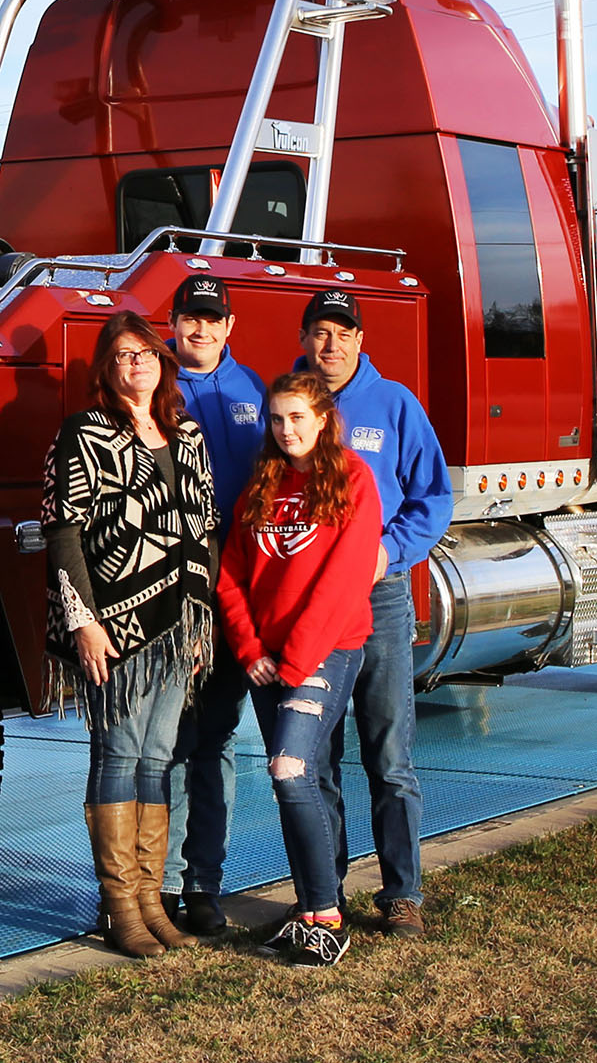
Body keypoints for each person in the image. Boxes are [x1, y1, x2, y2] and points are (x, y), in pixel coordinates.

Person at [41, 310, 217, 958]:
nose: (137, 363)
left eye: (146, 352)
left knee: (155, 757)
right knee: (117, 756)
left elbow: (205, 528)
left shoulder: (187, 433)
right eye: (123, 354)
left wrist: (199, 620)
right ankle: (119, 909)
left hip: (178, 625)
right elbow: (63, 531)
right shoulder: (84, 433)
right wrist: (83, 622)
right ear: (106, 368)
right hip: (113, 626)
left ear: (162, 363)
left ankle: (149, 903)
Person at [296, 287, 454, 939]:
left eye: (343, 332)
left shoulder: (394, 405)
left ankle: (401, 894)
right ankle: (324, 894)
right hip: (313, 605)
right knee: (318, 756)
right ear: (304, 339)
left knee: (389, 753)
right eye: (320, 331)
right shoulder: (292, 408)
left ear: (361, 340)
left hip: (379, 597)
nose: (331, 344)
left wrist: (389, 551)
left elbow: (433, 498)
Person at [215, 369, 384, 970]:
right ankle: (311, 911)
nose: (286, 429)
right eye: (277, 418)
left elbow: (344, 580)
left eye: (297, 417)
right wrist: (250, 651)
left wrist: (294, 659)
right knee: (301, 779)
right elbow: (231, 574)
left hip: (326, 651)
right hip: (267, 661)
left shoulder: (353, 480)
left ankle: (327, 918)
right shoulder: (261, 485)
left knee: (290, 772)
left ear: (323, 420)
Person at [158, 271, 270, 936]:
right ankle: (165, 884)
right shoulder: (157, 389)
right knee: (174, 738)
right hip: (178, 591)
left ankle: (205, 884)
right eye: (189, 318)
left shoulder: (254, 389)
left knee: (218, 737)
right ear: (173, 324)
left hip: (238, 591)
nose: (200, 329)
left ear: (229, 326)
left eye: (211, 318)